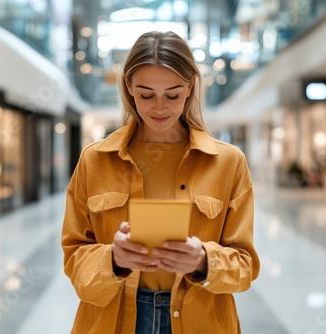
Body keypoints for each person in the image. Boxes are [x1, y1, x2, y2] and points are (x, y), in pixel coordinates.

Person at [61, 30, 260, 334]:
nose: (159, 107)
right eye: (146, 94)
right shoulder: (95, 160)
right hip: (112, 320)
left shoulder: (228, 163)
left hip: (201, 320)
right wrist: (113, 260)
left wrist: (203, 261)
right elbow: (74, 256)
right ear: (128, 86)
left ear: (191, 86)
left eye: (173, 94)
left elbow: (245, 266)